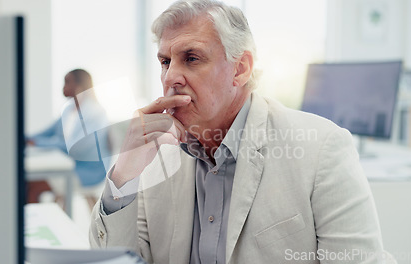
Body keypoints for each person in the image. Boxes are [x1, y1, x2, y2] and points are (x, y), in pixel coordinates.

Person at [89, 1, 386, 263]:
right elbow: (116, 260)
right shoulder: (157, 157)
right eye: (165, 61)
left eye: (191, 58)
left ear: (241, 69)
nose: (171, 77)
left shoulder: (321, 148)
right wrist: (124, 176)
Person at [27, 69, 110, 208]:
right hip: (69, 165)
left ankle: (32, 227)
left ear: (80, 85)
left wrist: (38, 143)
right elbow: (47, 132)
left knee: (35, 186)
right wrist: (23, 138)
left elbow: (76, 147)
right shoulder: (68, 110)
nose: (63, 87)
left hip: (88, 172)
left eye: (67, 82)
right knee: (28, 183)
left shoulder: (96, 112)